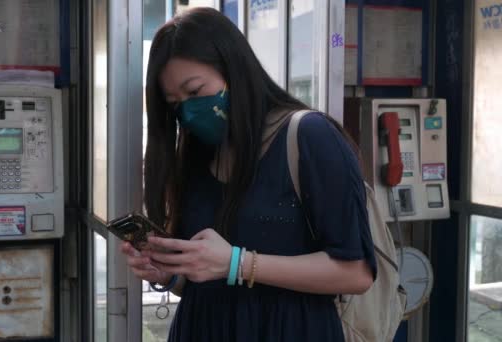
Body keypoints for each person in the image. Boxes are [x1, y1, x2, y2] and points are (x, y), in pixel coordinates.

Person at [121, 7, 377, 342]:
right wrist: (169, 274)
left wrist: (238, 264)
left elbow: (356, 273)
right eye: (174, 103)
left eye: (195, 92)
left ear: (234, 70)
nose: (188, 110)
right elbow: (206, 278)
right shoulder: (196, 154)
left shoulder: (309, 136)